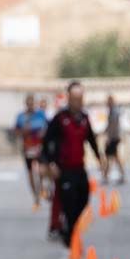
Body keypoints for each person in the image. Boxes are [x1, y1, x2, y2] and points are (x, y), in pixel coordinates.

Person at [41, 81, 105, 246]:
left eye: (80, 98)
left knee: (83, 198)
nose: (78, 101)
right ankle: (68, 235)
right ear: (68, 98)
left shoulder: (84, 118)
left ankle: (68, 228)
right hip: (63, 169)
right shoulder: (60, 118)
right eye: (75, 98)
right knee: (68, 203)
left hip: (79, 167)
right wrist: (51, 163)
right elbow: (47, 142)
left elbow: (91, 139)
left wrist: (100, 158)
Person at [14, 95, 48, 210]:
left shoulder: (41, 114)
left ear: (35, 103)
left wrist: (43, 134)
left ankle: (42, 187)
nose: (30, 105)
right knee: (30, 174)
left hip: (40, 147)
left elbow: (48, 127)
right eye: (28, 103)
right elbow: (16, 131)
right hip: (27, 148)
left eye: (32, 103)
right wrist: (23, 131)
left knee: (41, 170)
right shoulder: (21, 116)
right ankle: (36, 197)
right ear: (25, 104)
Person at [101, 94, 126, 185]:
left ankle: (106, 176)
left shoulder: (114, 112)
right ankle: (110, 175)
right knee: (114, 157)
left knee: (109, 157)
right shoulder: (112, 111)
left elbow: (113, 126)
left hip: (113, 138)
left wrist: (109, 137)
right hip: (114, 137)